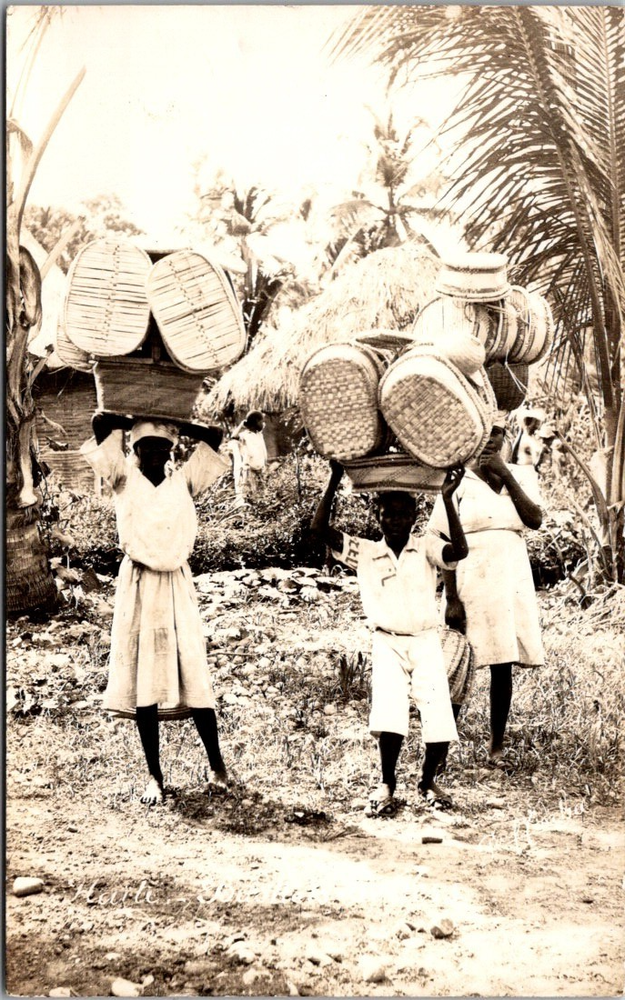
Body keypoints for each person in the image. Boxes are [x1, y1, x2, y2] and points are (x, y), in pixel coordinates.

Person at [80, 411, 230, 805]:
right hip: (140, 584)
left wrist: (173, 421)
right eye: (147, 448)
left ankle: (217, 766)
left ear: (172, 450)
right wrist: (133, 417)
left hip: (177, 583)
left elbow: (215, 436)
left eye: (163, 447)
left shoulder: (184, 480)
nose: (155, 455)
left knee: (193, 669)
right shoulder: (122, 478)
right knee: (144, 677)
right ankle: (154, 776)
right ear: (135, 449)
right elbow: (99, 424)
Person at [311, 460, 468, 815]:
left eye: (402, 513)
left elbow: (458, 552)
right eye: (387, 513)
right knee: (390, 714)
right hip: (387, 640)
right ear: (376, 515)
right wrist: (335, 478)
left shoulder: (426, 547)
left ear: (414, 515)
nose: (395, 520)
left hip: (426, 639)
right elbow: (319, 530)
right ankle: (387, 783)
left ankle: (428, 780)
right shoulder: (365, 551)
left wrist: (446, 497)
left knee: (438, 711)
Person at [428, 419, 544, 768]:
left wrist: (505, 474)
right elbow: (441, 539)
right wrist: (451, 598)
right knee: (460, 663)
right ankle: (440, 749)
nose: (491, 443)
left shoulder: (521, 476)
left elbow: (535, 519)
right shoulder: (458, 480)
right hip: (471, 579)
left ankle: (496, 746)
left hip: (510, 579)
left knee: (502, 664)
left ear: (506, 440)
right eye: (485, 437)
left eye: (497, 436)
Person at [228, 409, 268, 506]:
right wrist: (242, 424)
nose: (263, 423)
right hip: (250, 470)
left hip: (260, 469)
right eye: (261, 421)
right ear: (255, 422)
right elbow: (233, 437)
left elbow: (262, 427)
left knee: (261, 495)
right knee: (248, 494)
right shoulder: (245, 435)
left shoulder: (259, 434)